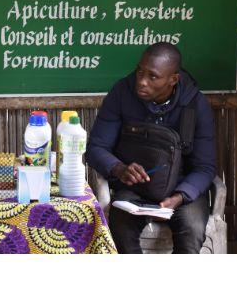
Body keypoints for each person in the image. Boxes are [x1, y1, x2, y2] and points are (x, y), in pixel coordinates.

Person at [88, 42, 218, 254]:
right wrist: (120, 168)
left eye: (153, 76)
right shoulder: (122, 93)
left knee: (192, 231)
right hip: (133, 189)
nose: (142, 81)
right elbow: (96, 148)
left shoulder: (195, 105)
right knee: (120, 228)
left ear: (173, 80)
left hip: (181, 190)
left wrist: (180, 196)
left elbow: (205, 167)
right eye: (140, 71)